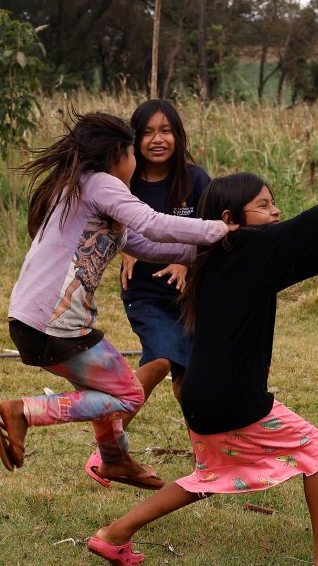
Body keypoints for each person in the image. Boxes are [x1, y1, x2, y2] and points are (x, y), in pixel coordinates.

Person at [87, 168, 318, 566]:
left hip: (204, 396)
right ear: (229, 220)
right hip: (234, 396)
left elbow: (316, 255)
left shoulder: (232, 259)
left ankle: (114, 535)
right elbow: (314, 224)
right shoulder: (249, 249)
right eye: (263, 207)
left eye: (273, 204)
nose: (275, 212)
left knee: (210, 476)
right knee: (316, 452)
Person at [0, 111, 233, 491]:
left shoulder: (81, 189)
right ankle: (25, 411)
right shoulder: (101, 183)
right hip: (55, 322)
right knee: (129, 395)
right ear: (120, 153)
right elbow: (153, 222)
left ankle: (116, 459)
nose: (136, 160)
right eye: (133, 151)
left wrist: (209, 255)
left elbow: (147, 244)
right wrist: (219, 229)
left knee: (109, 391)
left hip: (35, 320)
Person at [86, 99, 210, 486]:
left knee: (189, 382)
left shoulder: (196, 180)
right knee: (159, 359)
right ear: (133, 140)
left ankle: (210, 459)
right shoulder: (125, 179)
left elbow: (210, 229)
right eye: (148, 132)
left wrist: (186, 262)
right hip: (145, 293)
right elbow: (111, 221)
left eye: (166, 131)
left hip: (192, 297)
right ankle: (106, 450)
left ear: (178, 135)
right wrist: (125, 250)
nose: (157, 140)